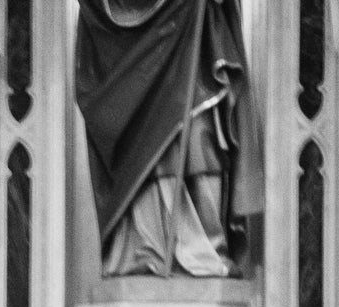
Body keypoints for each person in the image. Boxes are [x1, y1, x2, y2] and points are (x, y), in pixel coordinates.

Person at [74, 0, 259, 279]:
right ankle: (148, 248)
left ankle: (206, 247)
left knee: (200, 139)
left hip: (194, 43)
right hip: (135, 51)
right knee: (145, 143)